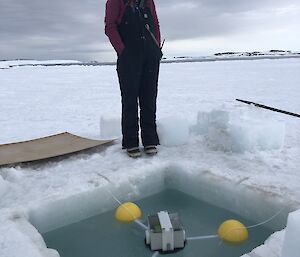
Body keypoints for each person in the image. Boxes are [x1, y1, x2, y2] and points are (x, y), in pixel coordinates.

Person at [105, 0, 162, 158]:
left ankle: (150, 140)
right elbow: (110, 27)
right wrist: (123, 51)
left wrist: (156, 47)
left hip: (150, 56)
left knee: (149, 99)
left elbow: (155, 24)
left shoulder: (147, 1)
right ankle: (131, 142)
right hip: (129, 57)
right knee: (130, 100)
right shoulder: (115, 1)